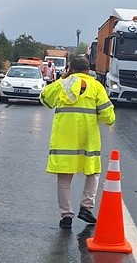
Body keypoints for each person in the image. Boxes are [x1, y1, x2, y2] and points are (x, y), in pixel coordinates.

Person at [39, 55, 115, 228]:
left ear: (70, 69)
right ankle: (86, 208)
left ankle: (66, 216)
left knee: (64, 179)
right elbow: (108, 117)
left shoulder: (61, 84)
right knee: (93, 173)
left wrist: (62, 79)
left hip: (64, 140)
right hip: (88, 139)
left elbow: (44, 99)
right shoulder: (96, 86)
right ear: (88, 70)